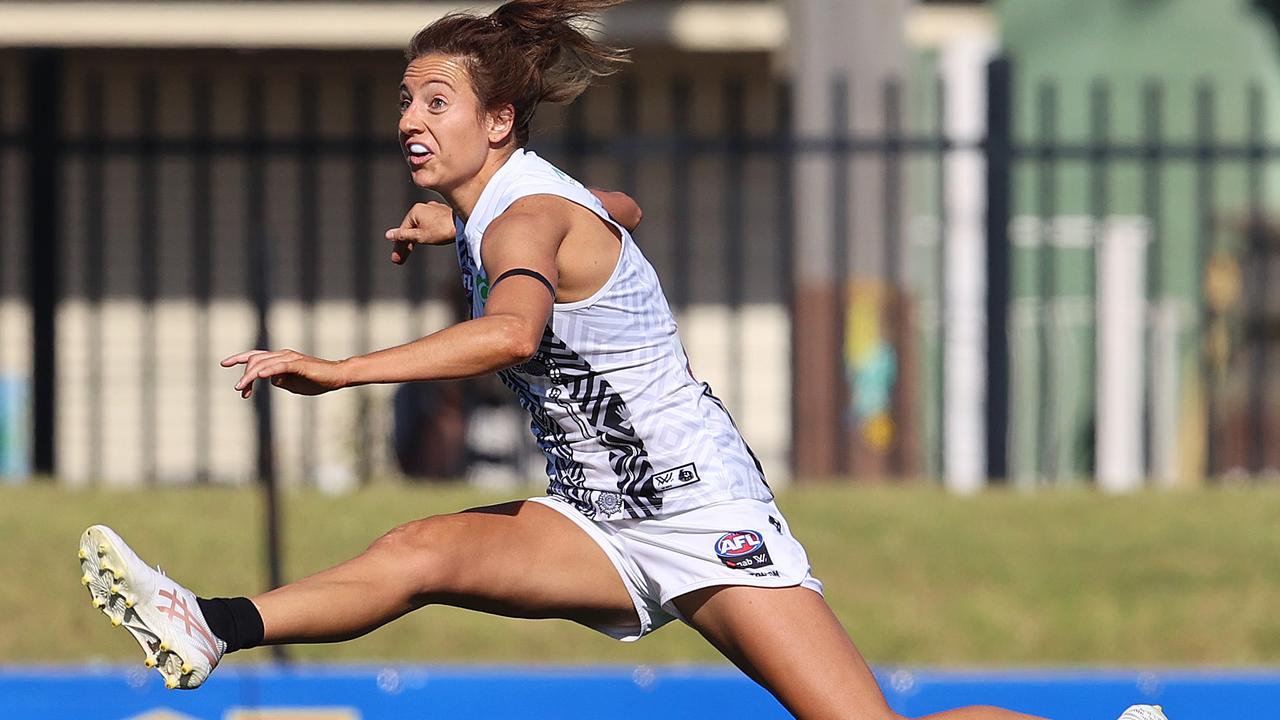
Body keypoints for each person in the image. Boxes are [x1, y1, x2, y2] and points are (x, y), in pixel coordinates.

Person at [78, 2, 1168, 719]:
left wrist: (340, 369)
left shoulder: (517, 223)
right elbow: (617, 208)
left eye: (436, 101)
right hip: (595, 515)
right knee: (418, 551)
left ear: (498, 120)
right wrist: (454, 228)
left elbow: (511, 334)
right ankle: (209, 624)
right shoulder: (518, 208)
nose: (410, 117)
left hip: (700, 514)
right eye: (406, 98)